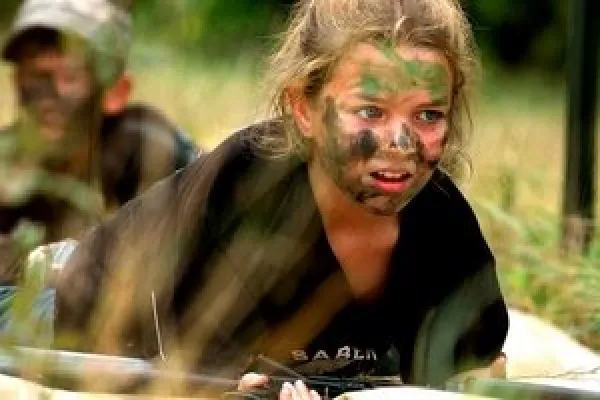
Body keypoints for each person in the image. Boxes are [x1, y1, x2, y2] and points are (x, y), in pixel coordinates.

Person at [55, 0, 509, 397]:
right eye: (370, 111)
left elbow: (479, 374)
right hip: (65, 305)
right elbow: (184, 376)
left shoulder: (442, 223)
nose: (401, 144)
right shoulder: (245, 191)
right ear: (303, 109)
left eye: (428, 115)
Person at [0, 0, 199, 282]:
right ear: (14, 82)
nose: (47, 98)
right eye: (35, 76)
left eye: (70, 77)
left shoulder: (151, 152)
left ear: (116, 92)